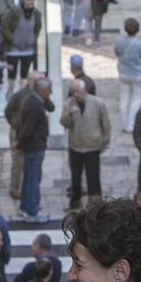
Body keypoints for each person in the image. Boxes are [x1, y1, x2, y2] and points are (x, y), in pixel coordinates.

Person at [60, 76, 111, 209]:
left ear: (85, 91)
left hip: (92, 146)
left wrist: (104, 143)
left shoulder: (98, 103)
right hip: (75, 146)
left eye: (78, 91)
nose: (76, 95)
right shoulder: (68, 104)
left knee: (93, 177)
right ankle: (75, 203)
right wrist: (69, 115)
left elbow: (106, 125)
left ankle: (96, 205)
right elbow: (64, 123)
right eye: (73, 92)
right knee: (75, 176)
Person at [15, 76, 52, 223]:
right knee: (33, 180)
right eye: (49, 90)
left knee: (29, 178)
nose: (50, 92)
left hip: (33, 146)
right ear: (42, 90)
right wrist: (19, 145)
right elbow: (27, 129)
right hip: (34, 147)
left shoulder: (32, 101)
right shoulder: (34, 104)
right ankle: (32, 211)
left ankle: (25, 207)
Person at [115, 18, 141, 133]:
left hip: (124, 71)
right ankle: (131, 125)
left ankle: (123, 123)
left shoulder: (119, 41)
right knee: (136, 99)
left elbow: (117, 53)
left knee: (124, 97)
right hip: (140, 73)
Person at [1, 0, 42, 99]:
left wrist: (33, 39)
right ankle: (10, 93)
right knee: (12, 75)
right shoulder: (14, 11)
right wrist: (13, 39)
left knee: (25, 75)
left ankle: (21, 96)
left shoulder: (36, 14)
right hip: (13, 50)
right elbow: (4, 26)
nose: (32, 1)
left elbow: (38, 28)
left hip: (28, 50)